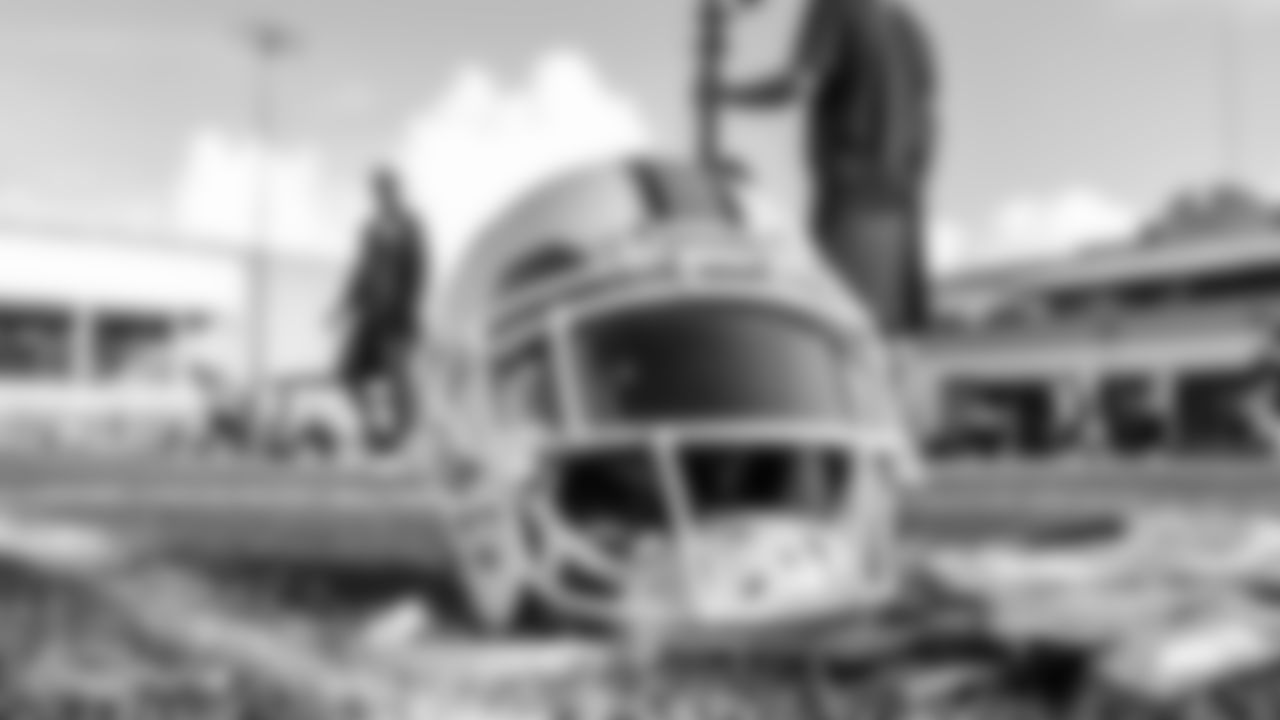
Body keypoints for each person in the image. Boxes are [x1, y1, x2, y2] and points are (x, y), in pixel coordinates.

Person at [708, 0, 938, 335]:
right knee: (885, 339)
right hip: (902, 212)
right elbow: (929, 123)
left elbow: (798, 84)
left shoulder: (834, 7)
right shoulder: (906, 25)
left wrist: (722, 94)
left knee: (836, 334)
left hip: (852, 202)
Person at [335, 167, 429, 454]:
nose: (381, 195)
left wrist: (407, 311)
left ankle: (403, 438)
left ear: (396, 190)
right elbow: (361, 268)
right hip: (370, 314)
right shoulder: (370, 228)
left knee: (398, 377)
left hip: (397, 315)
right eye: (377, 190)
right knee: (347, 373)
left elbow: (419, 271)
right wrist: (344, 304)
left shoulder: (410, 224)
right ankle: (373, 428)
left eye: (387, 189)